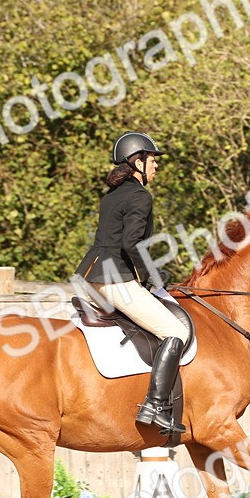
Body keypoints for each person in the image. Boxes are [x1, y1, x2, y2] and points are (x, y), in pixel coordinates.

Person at [74, 131, 188, 436]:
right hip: (113, 279)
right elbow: (133, 243)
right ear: (138, 161)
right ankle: (154, 404)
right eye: (153, 160)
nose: (156, 166)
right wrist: (151, 276)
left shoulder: (112, 195)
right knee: (175, 331)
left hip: (90, 274)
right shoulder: (140, 196)